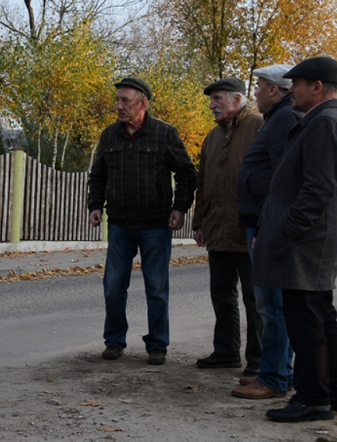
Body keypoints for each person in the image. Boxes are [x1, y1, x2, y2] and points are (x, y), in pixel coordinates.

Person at [253, 56, 337, 422]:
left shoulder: (326, 123)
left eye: (296, 84)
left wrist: (280, 233)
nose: (290, 90)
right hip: (311, 240)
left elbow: (317, 192)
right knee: (320, 316)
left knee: (307, 321)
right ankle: (332, 391)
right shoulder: (324, 120)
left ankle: (313, 398)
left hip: (306, 243)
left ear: (317, 87)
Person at [88, 77, 197, 365]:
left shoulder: (164, 134)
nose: (119, 106)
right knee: (113, 286)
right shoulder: (110, 135)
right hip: (120, 224)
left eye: (126, 101)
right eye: (118, 100)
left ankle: (157, 345)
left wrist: (180, 207)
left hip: (155, 225)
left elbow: (187, 173)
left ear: (143, 103)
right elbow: (98, 175)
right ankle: (114, 340)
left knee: (157, 288)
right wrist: (95, 205)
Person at [231, 65, 302, 400]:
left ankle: (274, 377)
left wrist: (264, 226)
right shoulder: (278, 118)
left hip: (267, 224)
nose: (255, 92)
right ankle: (278, 371)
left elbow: (281, 179)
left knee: (271, 304)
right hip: (262, 221)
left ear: (275, 89)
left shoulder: (284, 119)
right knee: (269, 303)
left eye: (259, 86)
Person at [192, 78, 263, 377]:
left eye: (218, 99)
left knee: (254, 298)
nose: (212, 105)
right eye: (211, 100)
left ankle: (259, 360)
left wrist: (263, 226)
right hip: (217, 230)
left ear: (237, 99)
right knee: (221, 294)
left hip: (249, 230)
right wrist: (199, 222)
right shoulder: (211, 137)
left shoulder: (260, 128)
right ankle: (226, 351)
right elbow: (203, 182)